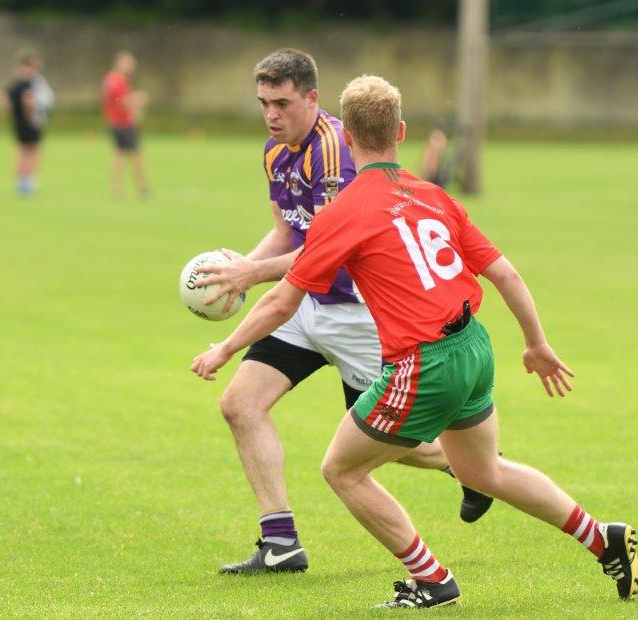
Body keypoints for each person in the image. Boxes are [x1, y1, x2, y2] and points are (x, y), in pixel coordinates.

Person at [192, 74, 638, 607]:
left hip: (424, 363)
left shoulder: (344, 211)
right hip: (475, 346)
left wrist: (224, 348)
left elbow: (281, 301)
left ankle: (432, 579)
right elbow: (506, 276)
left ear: (348, 139)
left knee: (342, 470)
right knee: (483, 470)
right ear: (401, 132)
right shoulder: (435, 196)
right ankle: (600, 536)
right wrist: (536, 344)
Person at [190, 49, 492, 576]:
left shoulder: (334, 153)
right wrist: (241, 265)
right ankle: (280, 542)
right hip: (306, 306)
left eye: (282, 103)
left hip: (358, 315)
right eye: (263, 103)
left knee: (391, 445)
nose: (271, 115)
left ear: (312, 97)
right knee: (241, 404)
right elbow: (289, 230)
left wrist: (252, 275)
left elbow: (325, 251)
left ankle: (471, 467)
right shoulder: (275, 152)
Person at [102, 51, 149, 199]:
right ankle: (139, 187)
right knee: (133, 154)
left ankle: (119, 188)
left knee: (122, 154)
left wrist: (134, 110)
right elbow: (120, 101)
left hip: (120, 122)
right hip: (121, 123)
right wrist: (137, 100)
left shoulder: (116, 80)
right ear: (119, 63)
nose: (131, 67)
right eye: (128, 63)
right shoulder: (115, 80)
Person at [6, 50, 46, 195]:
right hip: (29, 123)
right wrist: (30, 118)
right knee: (31, 151)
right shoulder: (29, 84)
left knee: (23, 151)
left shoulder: (15, 84)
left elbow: (6, 101)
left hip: (18, 122)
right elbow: (28, 102)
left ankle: (22, 182)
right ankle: (28, 181)